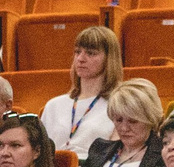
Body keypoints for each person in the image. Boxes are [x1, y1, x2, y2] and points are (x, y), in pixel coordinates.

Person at [73, 79, 168, 167]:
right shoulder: (99, 148)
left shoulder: (166, 152)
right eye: (118, 120)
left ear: (150, 120)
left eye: (133, 121)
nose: (124, 128)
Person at [42, 25, 123, 155]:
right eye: (77, 52)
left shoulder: (119, 105)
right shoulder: (54, 105)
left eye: (90, 53)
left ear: (109, 59)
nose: (80, 59)